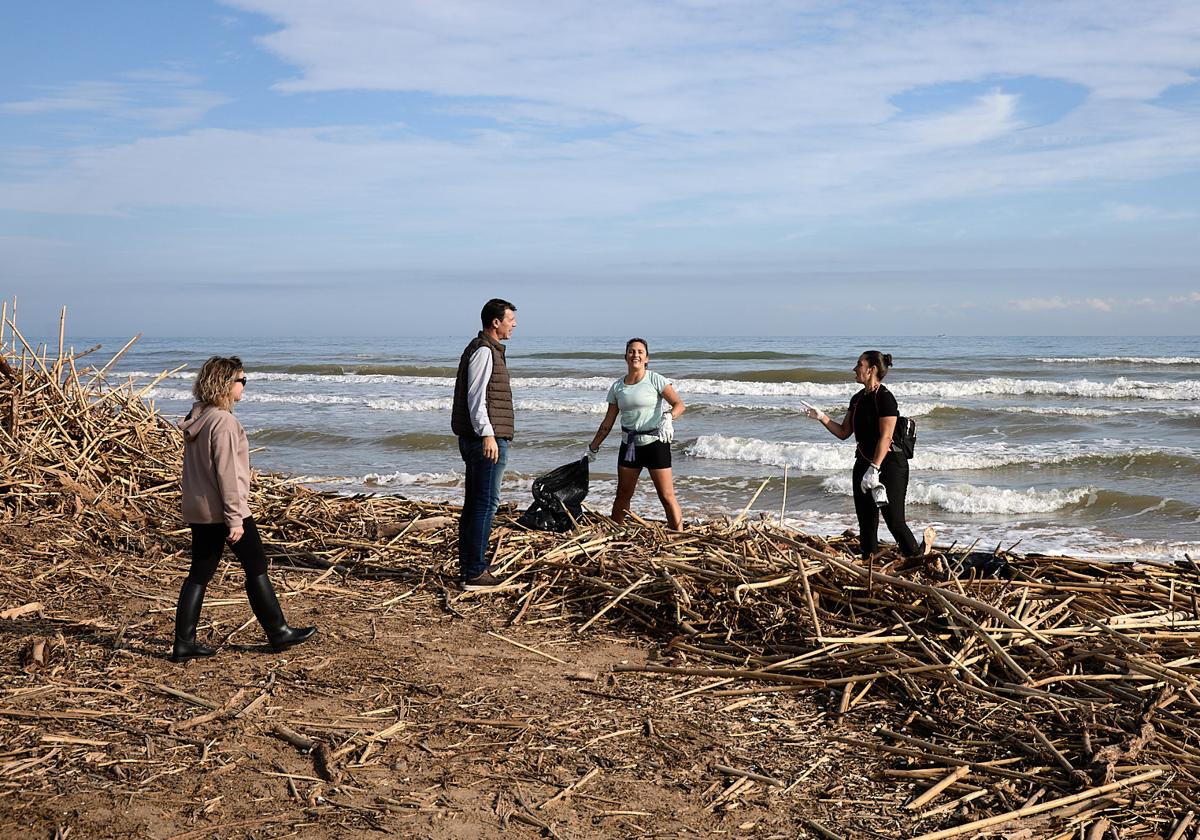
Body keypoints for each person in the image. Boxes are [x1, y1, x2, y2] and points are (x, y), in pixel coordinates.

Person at [171, 356, 317, 662]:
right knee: (256, 565)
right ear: (226, 383)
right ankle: (278, 632)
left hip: (200, 510)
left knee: (199, 573)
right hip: (225, 510)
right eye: (242, 380)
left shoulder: (198, 417)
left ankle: (184, 642)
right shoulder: (223, 422)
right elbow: (227, 474)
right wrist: (235, 518)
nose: (244, 386)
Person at [805, 350, 929, 561]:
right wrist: (822, 417)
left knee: (894, 521)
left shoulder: (886, 398)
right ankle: (869, 566)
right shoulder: (857, 399)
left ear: (871, 369)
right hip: (863, 463)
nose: (855, 368)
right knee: (866, 522)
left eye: (859, 364)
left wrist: (874, 469)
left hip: (889, 465)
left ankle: (919, 562)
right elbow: (844, 432)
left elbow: (886, 437)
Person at [451, 298, 518, 590]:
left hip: (482, 437)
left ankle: (470, 567)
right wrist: (487, 434)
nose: (514, 324)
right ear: (495, 322)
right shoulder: (484, 352)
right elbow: (476, 398)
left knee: (476, 504)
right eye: (510, 319)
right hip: (485, 440)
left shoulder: (486, 350)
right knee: (484, 504)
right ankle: (476, 572)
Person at [586, 338, 685, 530]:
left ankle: (678, 536)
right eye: (632, 351)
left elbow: (679, 405)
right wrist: (593, 447)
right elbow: (608, 422)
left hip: (656, 443)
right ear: (625, 357)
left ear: (647, 358)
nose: (636, 355)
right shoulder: (617, 387)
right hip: (629, 446)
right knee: (623, 494)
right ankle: (615, 533)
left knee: (666, 496)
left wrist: (668, 418)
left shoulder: (655, 379)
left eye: (640, 352)